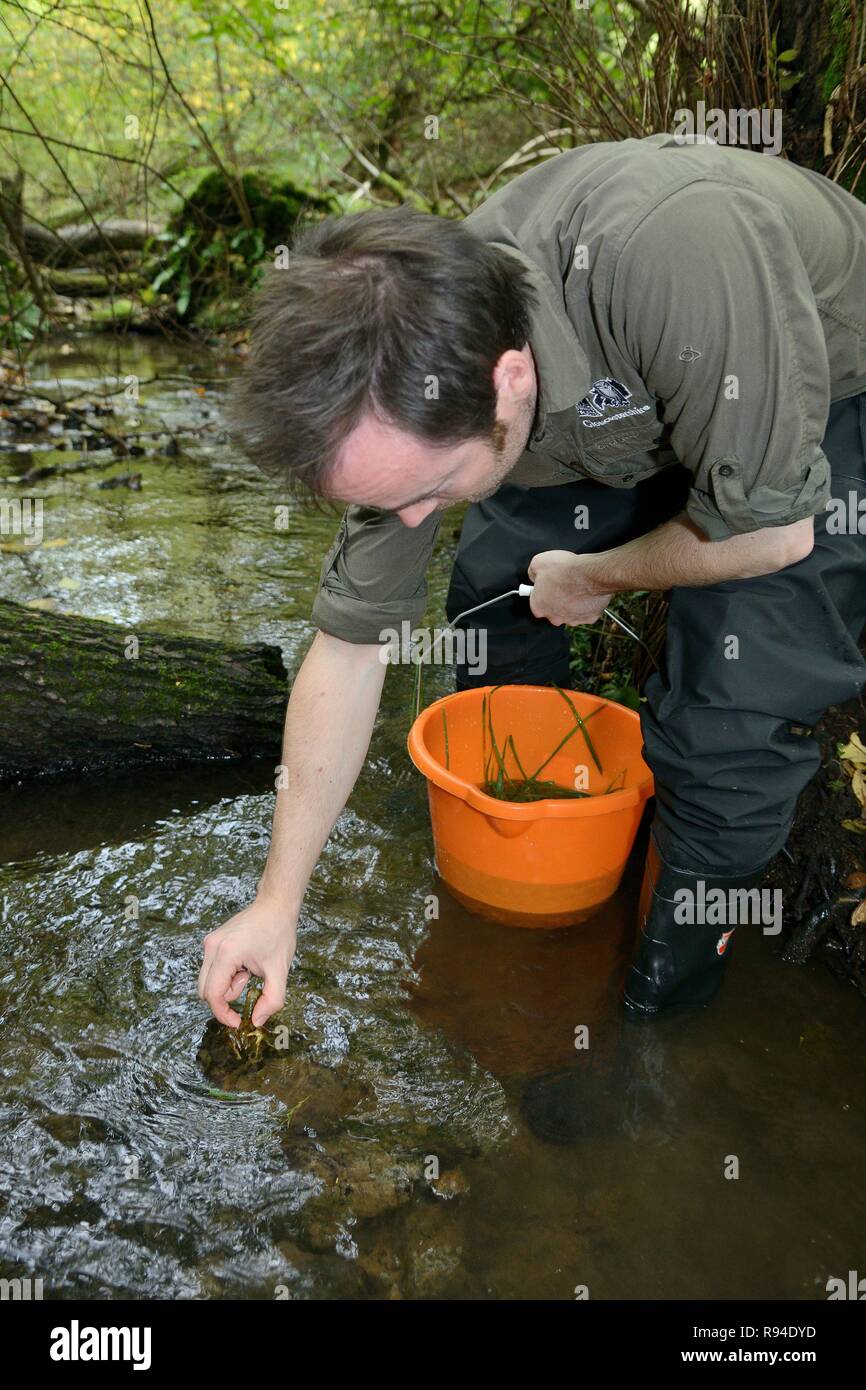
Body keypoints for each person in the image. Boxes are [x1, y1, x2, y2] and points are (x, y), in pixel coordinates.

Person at [198, 132, 866, 1034]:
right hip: (611, 412)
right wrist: (276, 905)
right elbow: (350, 647)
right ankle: (531, 877)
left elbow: (772, 537)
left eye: (427, 493)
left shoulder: (681, 249)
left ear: (507, 382)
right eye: (387, 500)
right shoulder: (407, 372)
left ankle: (656, 1010)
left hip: (818, 400)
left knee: (730, 725)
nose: (409, 523)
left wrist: (598, 576)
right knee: (490, 595)